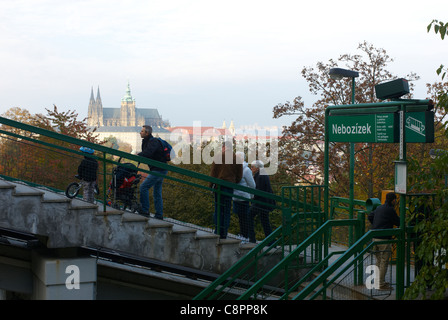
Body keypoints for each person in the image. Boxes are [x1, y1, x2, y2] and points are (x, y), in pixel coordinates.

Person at [210, 141, 243, 239]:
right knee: (227, 210)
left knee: (218, 209)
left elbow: (213, 173)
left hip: (218, 186)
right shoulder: (236, 158)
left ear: (224, 147)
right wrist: (234, 182)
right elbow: (239, 175)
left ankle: (217, 231)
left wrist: (210, 186)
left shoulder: (218, 156)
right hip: (229, 186)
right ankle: (224, 232)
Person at [368, 192, 400, 290]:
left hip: (374, 237)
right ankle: (380, 284)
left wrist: (376, 225)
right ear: (393, 200)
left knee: (378, 261)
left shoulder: (379, 207)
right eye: (395, 200)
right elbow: (398, 222)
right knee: (384, 261)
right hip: (384, 239)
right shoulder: (391, 210)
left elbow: (370, 216)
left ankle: (378, 281)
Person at [138, 125, 168, 219]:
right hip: (159, 169)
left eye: (142, 131)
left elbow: (148, 153)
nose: (140, 132)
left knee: (143, 187)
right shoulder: (147, 141)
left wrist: (138, 155)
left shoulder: (153, 141)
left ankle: (145, 210)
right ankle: (159, 214)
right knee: (157, 192)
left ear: (147, 133)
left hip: (158, 169)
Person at [247, 160, 276, 243]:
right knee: (265, 221)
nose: (251, 168)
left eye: (252, 167)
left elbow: (259, 190)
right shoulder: (262, 174)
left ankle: (252, 238)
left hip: (261, 202)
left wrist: (252, 198)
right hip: (265, 202)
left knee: (249, 215)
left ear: (257, 168)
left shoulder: (260, 176)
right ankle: (270, 241)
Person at [232, 151, 256, 243]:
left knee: (244, 218)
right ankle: (243, 235)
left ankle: (246, 236)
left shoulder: (246, 170)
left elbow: (252, 184)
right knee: (240, 217)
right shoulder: (236, 169)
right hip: (236, 197)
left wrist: (250, 196)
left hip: (243, 198)